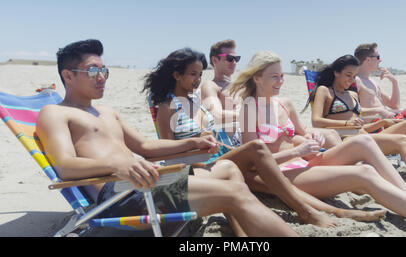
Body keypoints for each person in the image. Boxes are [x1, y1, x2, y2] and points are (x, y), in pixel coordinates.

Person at [35, 39, 300, 237]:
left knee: (229, 168)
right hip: (118, 195)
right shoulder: (55, 113)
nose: (102, 77)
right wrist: (119, 166)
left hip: (145, 183)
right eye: (93, 71)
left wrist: (190, 143)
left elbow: (146, 147)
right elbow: (65, 166)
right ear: (68, 75)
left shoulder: (106, 111)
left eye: (105, 70)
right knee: (233, 193)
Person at [143, 47, 387, 227]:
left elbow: (212, 126)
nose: (198, 80)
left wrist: (223, 127)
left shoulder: (193, 101)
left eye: (200, 74)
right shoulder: (167, 106)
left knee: (267, 177)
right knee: (258, 151)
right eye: (193, 74)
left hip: (219, 157)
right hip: (200, 166)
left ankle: (337, 212)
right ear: (176, 75)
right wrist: (195, 144)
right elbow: (168, 152)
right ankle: (311, 213)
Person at [229, 50, 406, 227]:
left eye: (282, 75)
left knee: (363, 141)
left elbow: (304, 131)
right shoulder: (249, 108)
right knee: (365, 173)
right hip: (284, 174)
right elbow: (253, 162)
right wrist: (296, 151)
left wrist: (313, 137)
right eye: (274, 76)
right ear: (257, 77)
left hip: (305, 162)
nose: (281, 81)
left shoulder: (283, 103)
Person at [307, 55, 406, 188]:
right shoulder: (324, 91)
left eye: (354, 76)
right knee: (401, 140)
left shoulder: (353, 94)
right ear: (336, 72)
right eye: (348, 75)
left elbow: (360, 127)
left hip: (364, 135)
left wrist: (382, 123)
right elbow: (316, 121)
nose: (351, 80)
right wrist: (346, 124)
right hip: (346, 141)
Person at [200, 39, 341, 149]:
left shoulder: (240, 86)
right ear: (214, 60)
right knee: (321, 137)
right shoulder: (211, 86)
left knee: (331, 134)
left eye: (237, 59)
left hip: (266, 125)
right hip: (242, 135)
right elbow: (215, 116)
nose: (234, 62)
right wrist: (246, 113)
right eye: (229, 58)